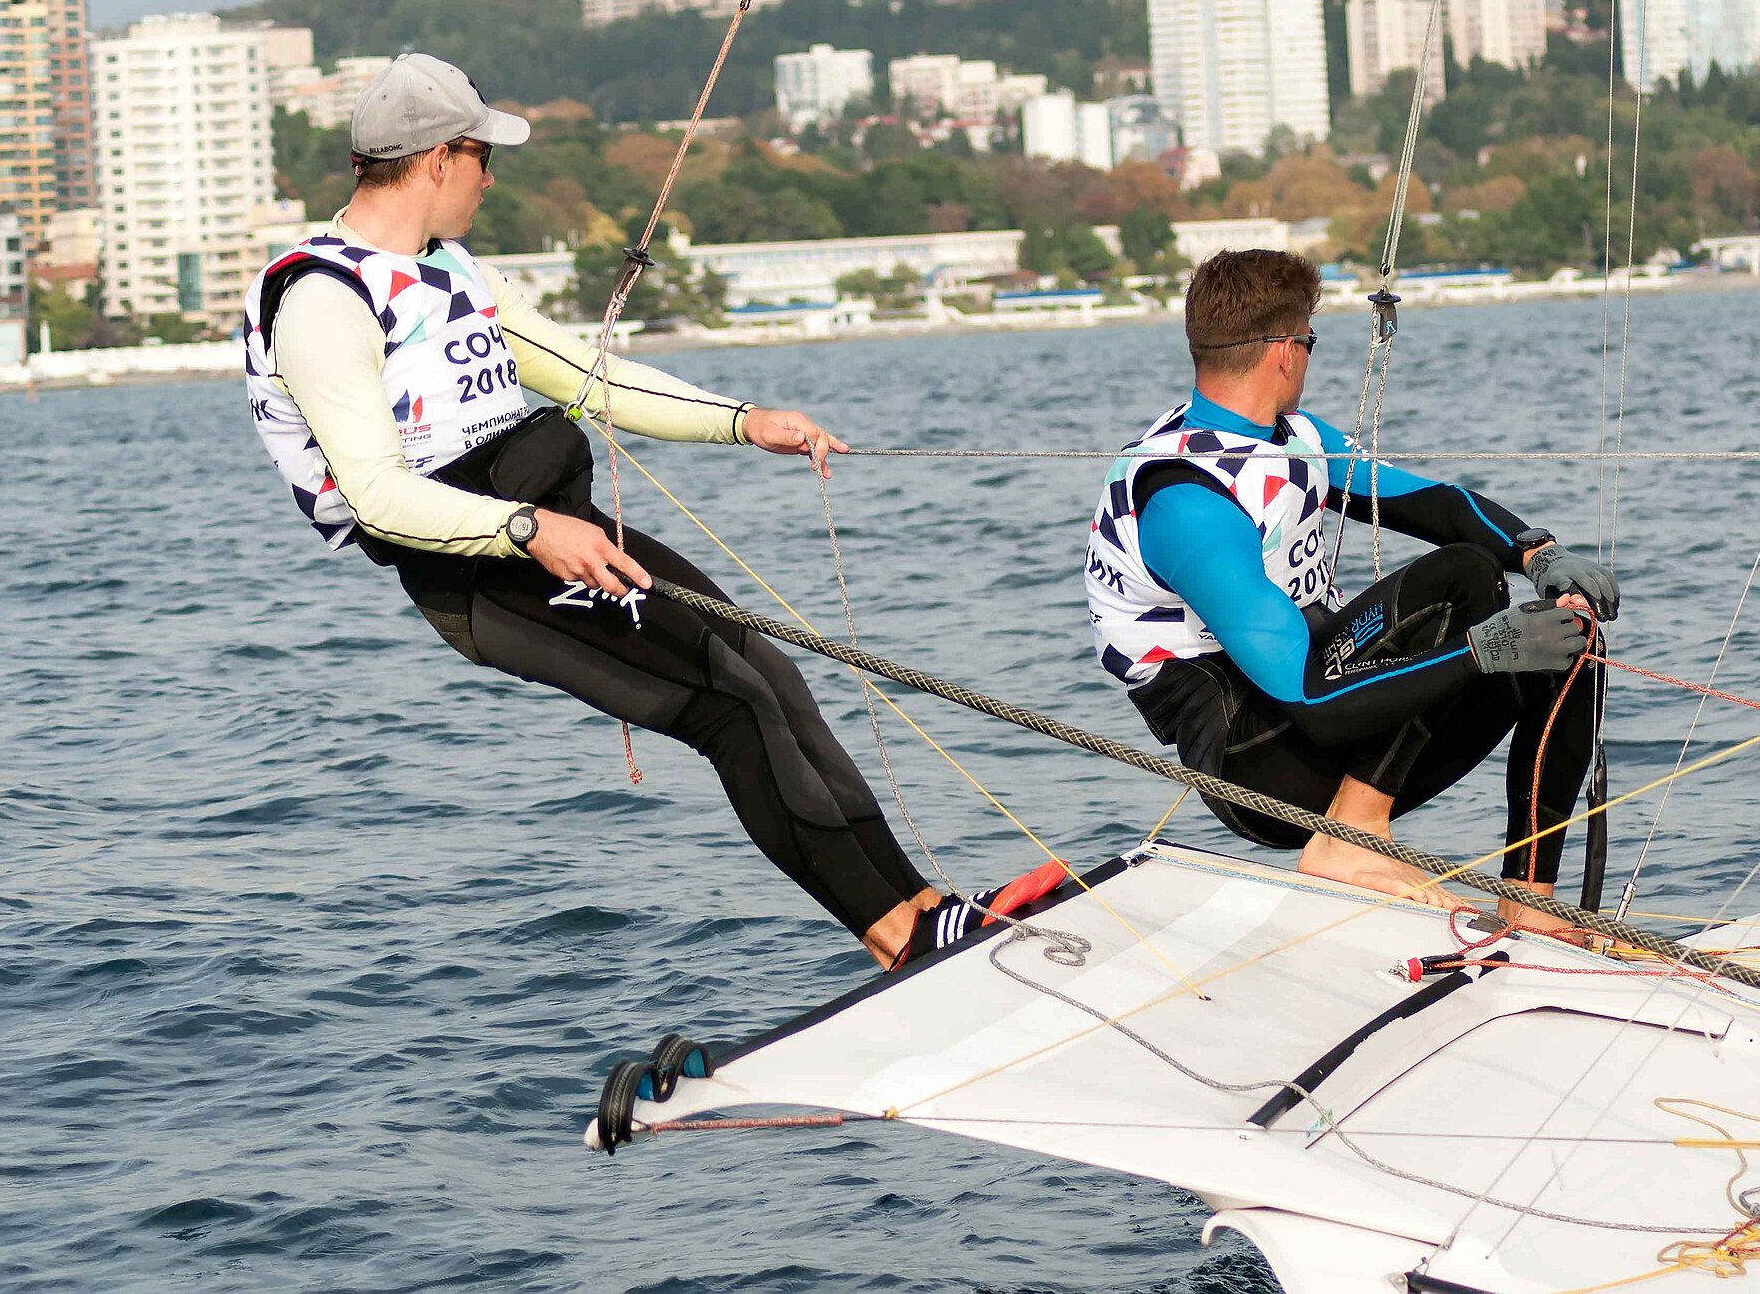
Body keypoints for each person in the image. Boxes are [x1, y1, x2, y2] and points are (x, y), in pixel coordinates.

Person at [241, 52, 1058, 970]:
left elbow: (597, 381)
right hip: (482, 570)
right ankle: (896, 936)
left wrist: (747, 423)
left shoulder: (451, 272)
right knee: (731, 712)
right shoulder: (320, 296)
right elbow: (378, 498)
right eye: (482, 158)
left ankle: (922, 906)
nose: (490, 178)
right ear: (438, 158)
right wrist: (529, 532)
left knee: (766, 673)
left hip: (561, 529)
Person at [1083, 250, 1620, 930]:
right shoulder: (1185, 501)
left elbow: (1439, 505)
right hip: (1260, 766)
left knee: (1566, 638)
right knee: (1462, 580)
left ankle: (1529, 904)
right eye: (1309, 339)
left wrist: (1537, 554)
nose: (1309, 355)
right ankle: (1347, 840)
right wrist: (1481, 650)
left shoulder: (1294, 440)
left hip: (1330, 717)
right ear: (1285, 351)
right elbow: (1311, 702)